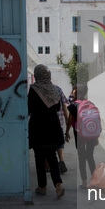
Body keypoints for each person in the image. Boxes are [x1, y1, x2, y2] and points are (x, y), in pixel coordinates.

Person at [28, 65, 65, 198]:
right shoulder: (54, 89)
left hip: (38, 129)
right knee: (52, 157)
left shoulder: (34, 89)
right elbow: (58, 107)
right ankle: (58, 183)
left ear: (37, 74)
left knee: (39, 158)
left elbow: (29, 108)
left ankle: (42, 186)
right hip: (53, 128)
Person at [65, 83, 97, 190]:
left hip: (80, 135)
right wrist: (96, 137)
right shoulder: (90, 103)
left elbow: (70, 120)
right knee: (90, 156)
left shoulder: (74, 105)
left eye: (73, 90)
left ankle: (84, 182)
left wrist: (66, 132)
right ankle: (94, 182)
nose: (72, 92)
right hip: (91, 135)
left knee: (82, 157)